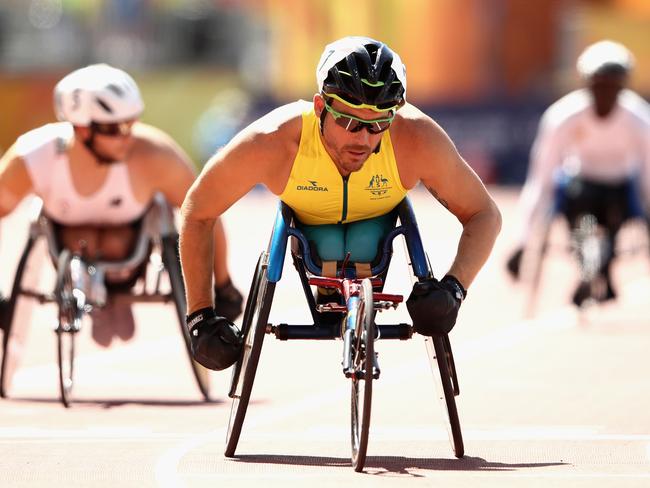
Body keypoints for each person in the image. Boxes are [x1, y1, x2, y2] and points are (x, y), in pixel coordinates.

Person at [180, 36, 502, 371]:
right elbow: (198, 211)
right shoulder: (272, 141)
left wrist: (454, 288)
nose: (362, 139)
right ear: (320, 107)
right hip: (311, 235)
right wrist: (200, 316)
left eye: (378, 123)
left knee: (362, 244)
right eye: (349, 122)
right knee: (331, 243)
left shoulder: (417, 138)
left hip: (377, 231)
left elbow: (484, 214)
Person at [0, 63, 243, 345]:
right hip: (68, 250)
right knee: (84, 237)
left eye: (132, 122)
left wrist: (223, 284)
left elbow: (204, 212)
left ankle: (112, 301)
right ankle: (94, 299)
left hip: (129, 256)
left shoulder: (156, 156)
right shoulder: (33, 157)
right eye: (115, 128)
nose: (128, 136)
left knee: (114, 240)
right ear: (82, 129)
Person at [506, 40, 650, 306]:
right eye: (599, 85)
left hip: (621, 187)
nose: (605, 94)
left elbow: (648, 176)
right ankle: (592, 265)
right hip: (580, 185)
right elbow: (541, 181)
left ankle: (599, 266)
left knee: (617, 209)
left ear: (623, 86)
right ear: (586, 84)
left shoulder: (640, 120)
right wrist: (522, 241)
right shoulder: (563, 117)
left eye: (612, 86)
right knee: (579, 205)